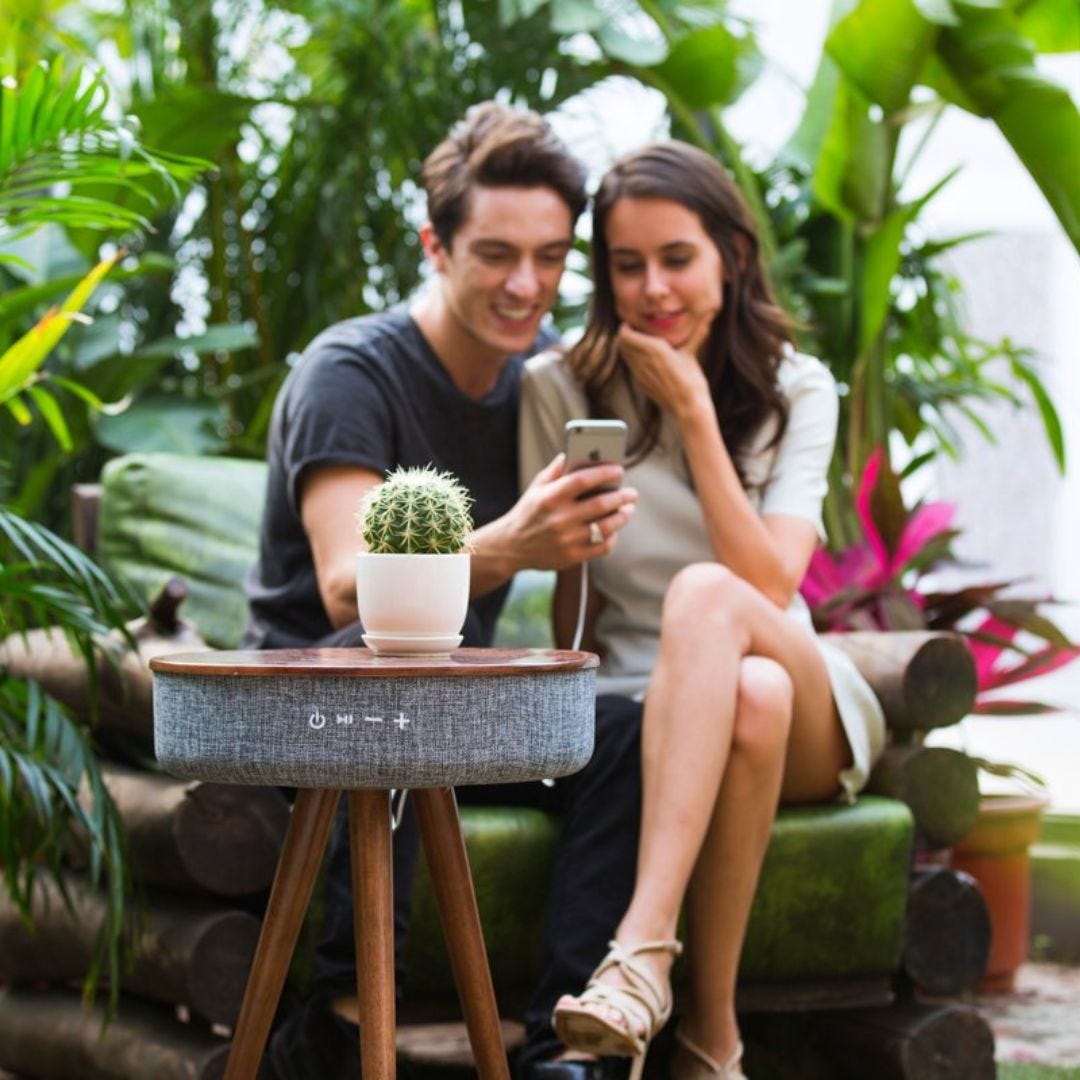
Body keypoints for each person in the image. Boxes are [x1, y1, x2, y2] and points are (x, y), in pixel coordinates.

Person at [245, 102, 642, 1080]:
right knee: (396, 687)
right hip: (318, 696)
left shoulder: (537, 388)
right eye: (497, 254)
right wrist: (511, 543)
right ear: (436, 244)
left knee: (628, 729)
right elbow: (348, 593)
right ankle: (337, 1025)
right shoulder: (350, 371)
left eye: (551, 259)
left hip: (462, 697)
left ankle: (564, 1050)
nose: (527, 286)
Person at [518, 141, 887, 1080]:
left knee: (716, 607)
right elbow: (575, 597)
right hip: (665, 707)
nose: (653, 290)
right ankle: (710, 1043)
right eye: (627, 264)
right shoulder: (559, 386)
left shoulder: (798, 387)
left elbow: (771, 585)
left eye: (677, 258)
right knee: (746, 699)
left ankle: (641, 952)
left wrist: (690, 412)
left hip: (806, 696)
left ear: (731, 254)